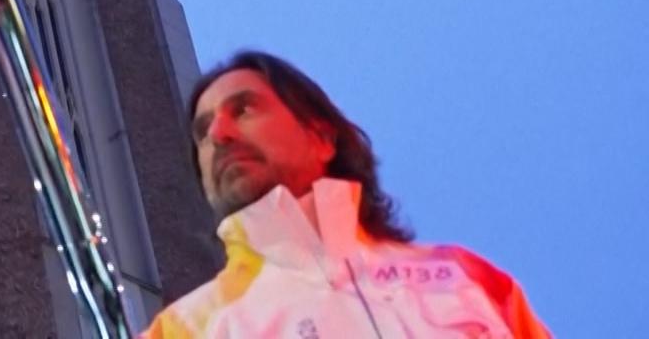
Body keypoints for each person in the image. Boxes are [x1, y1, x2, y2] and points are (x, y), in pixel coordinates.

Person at [145, 50, 549, 338]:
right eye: (202, 131)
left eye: (244, 110)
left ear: (322, 136)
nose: (219, 135)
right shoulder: (186, 328)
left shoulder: (468, 278)